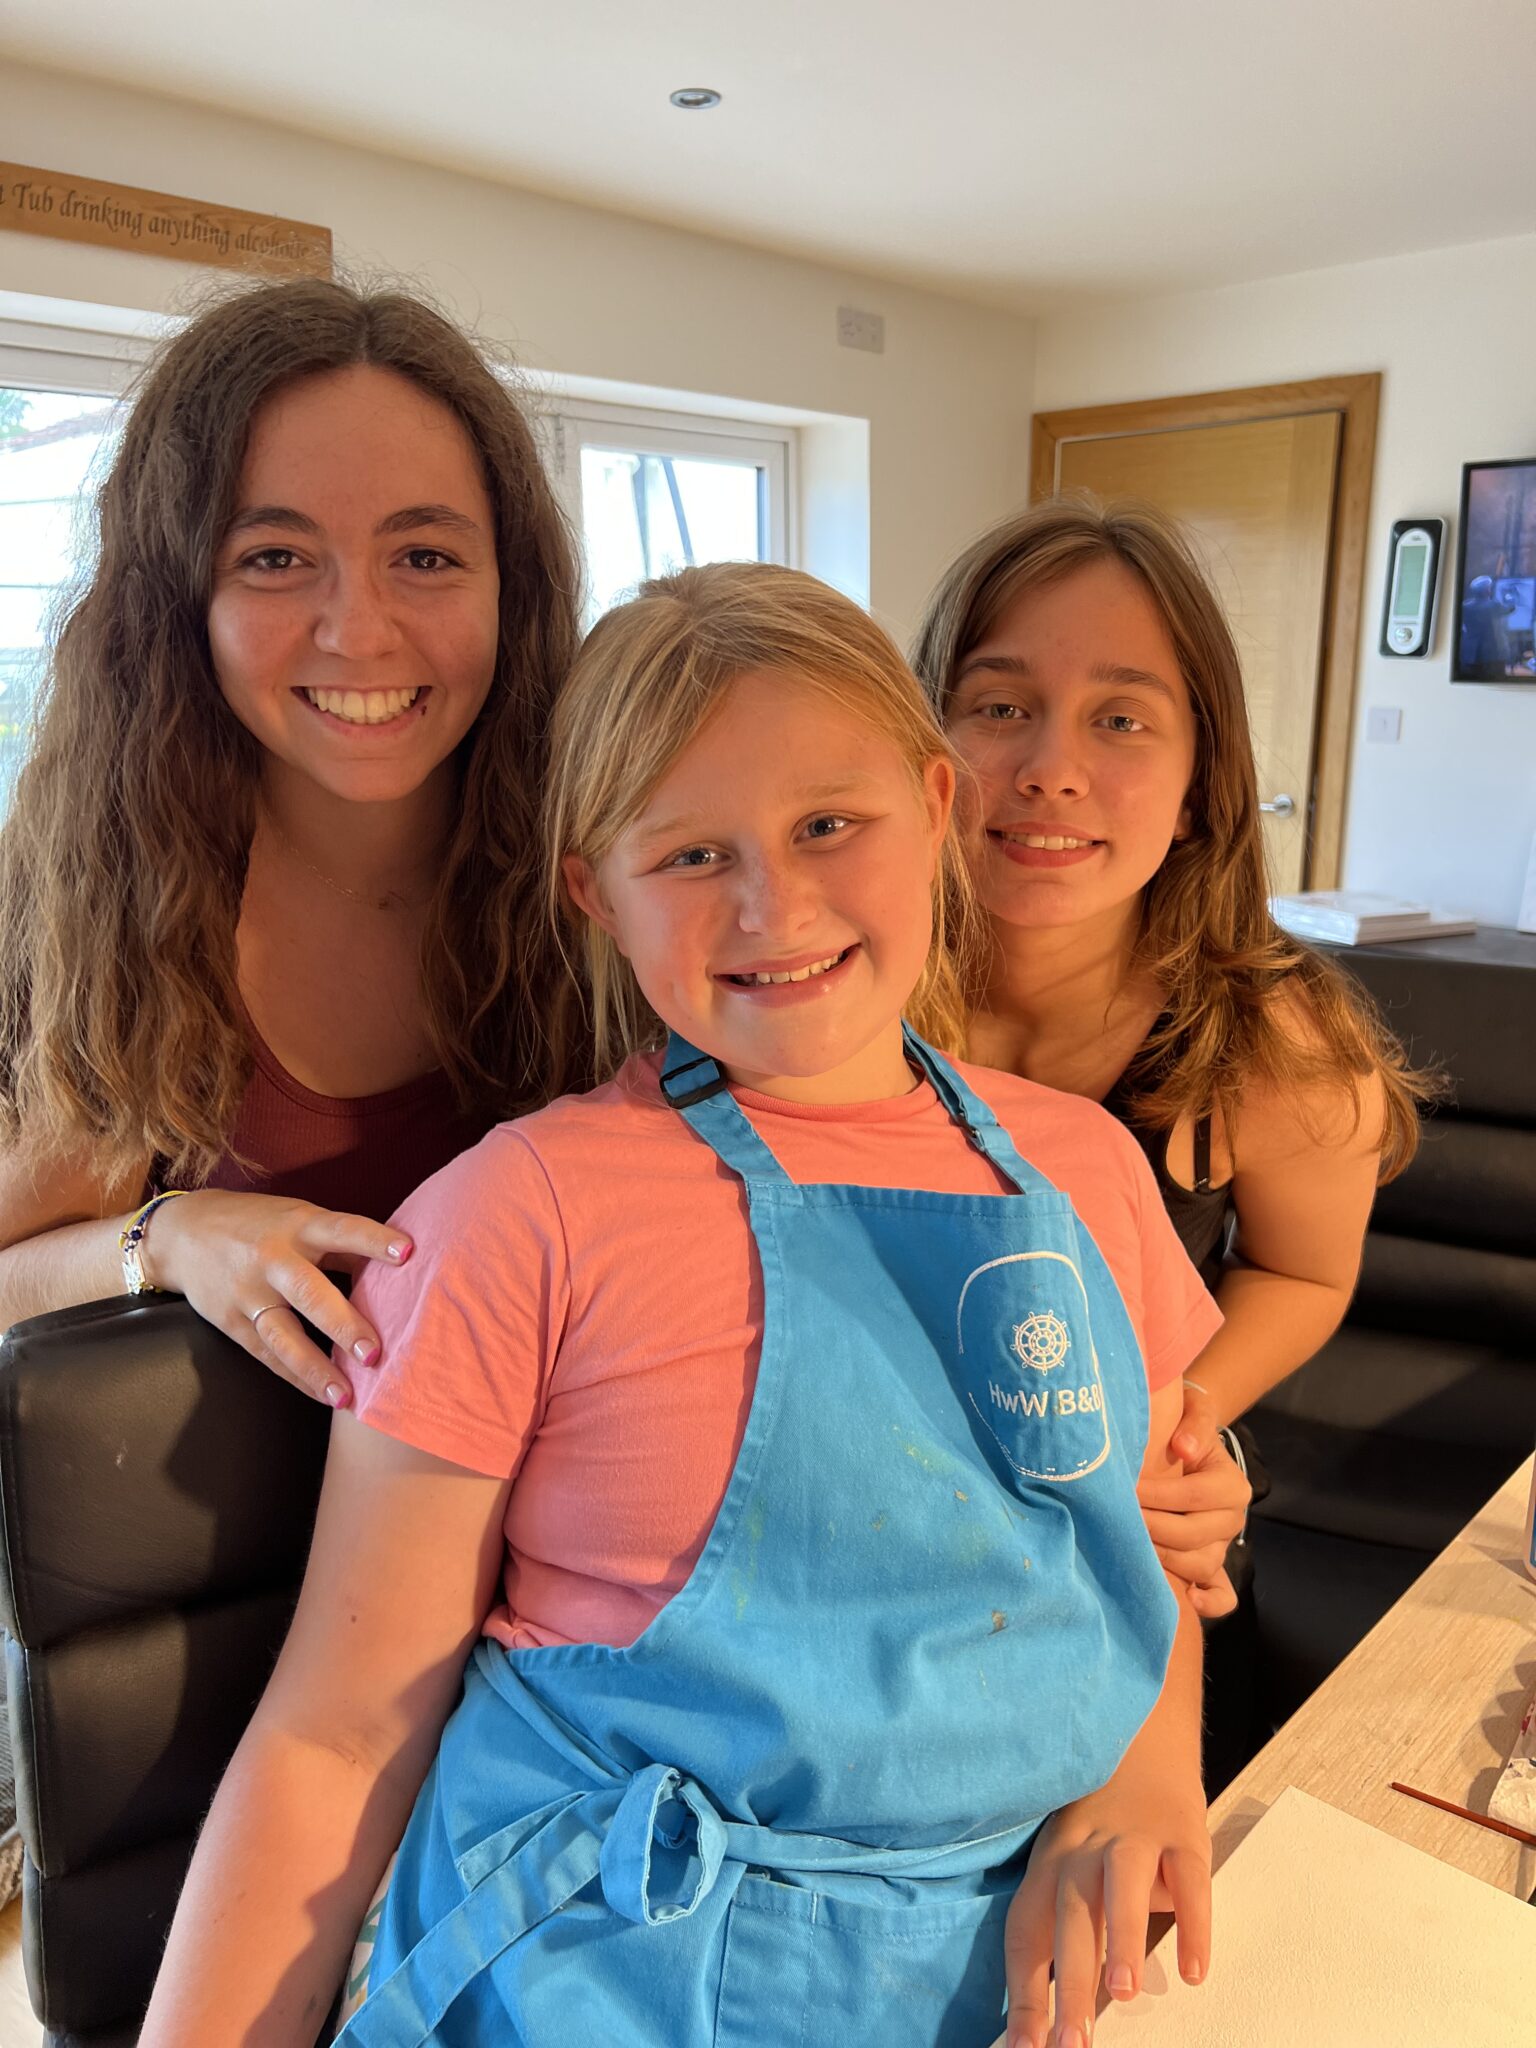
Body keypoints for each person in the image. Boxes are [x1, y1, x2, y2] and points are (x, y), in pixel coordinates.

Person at [142, 562, 1222, 2048]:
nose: (776, 904)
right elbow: (335, 1739)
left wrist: (1149, 1770)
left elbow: (1145, 1551)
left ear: (934, 805)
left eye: (828, 825)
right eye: (693, 854)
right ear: (596, 891)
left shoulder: (1086, 1173)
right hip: (604, 1971)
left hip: (1022, 1972)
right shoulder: (515, 1216)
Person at [910, 499, 1435, 1760]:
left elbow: (1302, 1271)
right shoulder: (833, 987)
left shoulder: (1276, 1041)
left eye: (1122, 719)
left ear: (1201, 788)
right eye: (999, 705)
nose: (1051, 767)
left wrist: (1177, 1424)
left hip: (1119, 1555)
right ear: (922, 749)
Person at [0, 277, 581, 1397]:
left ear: (513, 586)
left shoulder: (608, 871)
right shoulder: (100, 898)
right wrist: (162, 1239)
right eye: (274, 557)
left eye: (425, 556)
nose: (359, 632)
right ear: (181, 600)